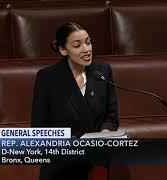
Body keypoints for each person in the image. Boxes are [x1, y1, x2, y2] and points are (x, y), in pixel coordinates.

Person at [31, 22, 119, 180]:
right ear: (63, 50)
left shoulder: (102, 71)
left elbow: (111, 116)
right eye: (77, 45)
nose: (87, 50)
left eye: (88, 42)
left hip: (95, 164)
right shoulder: (48, 78)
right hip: (61, 166)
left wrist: (105, 134)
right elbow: (39, 127)